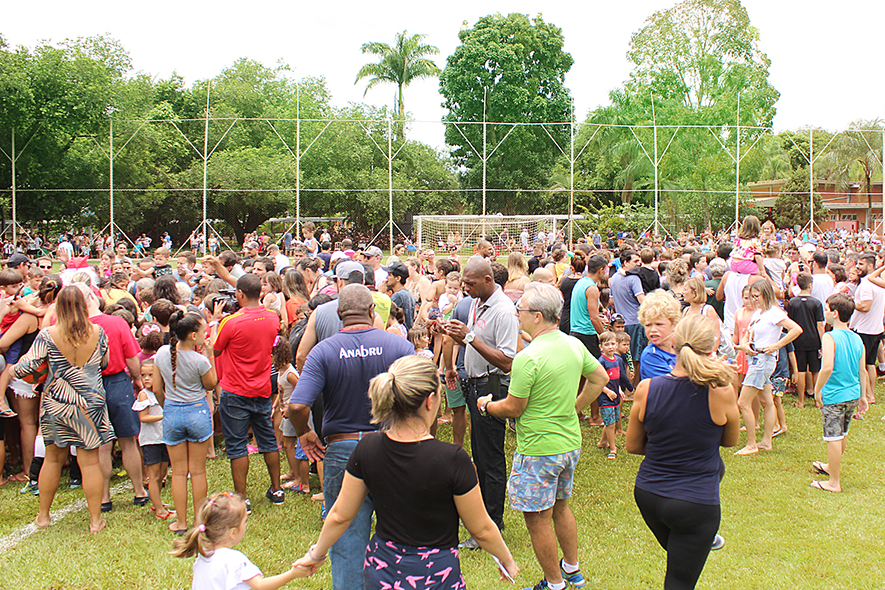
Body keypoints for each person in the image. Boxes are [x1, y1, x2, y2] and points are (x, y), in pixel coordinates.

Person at [296, 355, 518, 588]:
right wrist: (506, 558)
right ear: (429, 401)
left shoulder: (367, 449)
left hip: (382, 571)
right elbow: (481, 528)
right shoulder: (452, 459)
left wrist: (316, 554)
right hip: (435, 575)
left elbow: (340, 514)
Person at [477, 283, 607, 590]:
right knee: (561, 507)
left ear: (536, 316)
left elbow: (513, 407)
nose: (516, 314)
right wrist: (575, 407)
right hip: (568, 444)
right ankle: (572, 570)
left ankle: (554, 583)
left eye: (520, 309)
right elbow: (599, 377)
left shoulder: (528, 357)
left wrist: (487, 406)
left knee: (537, 519)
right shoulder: (572, 344)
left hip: (538, 449)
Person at [287, 284, 414, 590]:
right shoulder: (398, 346)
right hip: (392, 446)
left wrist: (304, 433)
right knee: (401, 535)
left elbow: (296, 405)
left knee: (345, 537)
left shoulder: (324, 350)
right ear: (372, 312)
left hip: (343, 448)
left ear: (340, 314)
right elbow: (423, 396)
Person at [627, 314, 740, 590]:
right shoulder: (720, 391)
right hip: (695, 503)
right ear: (712, 346)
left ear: (674, 343)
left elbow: (633, 445)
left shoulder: (647, 388)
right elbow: (730, 441)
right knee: (680, 579)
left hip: (649, 494)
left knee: (680, 559)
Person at [13, 286, 112, 533]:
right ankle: (95, 521)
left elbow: (25, 368)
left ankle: (44, 516)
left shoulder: (47, 335)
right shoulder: (98, 332)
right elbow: (105, 362)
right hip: (90, 402)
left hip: (57, 401)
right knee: (90, 463)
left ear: (58, 306)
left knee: (53, 459)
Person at [443, 258, 519, 548]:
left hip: (492, 387)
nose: (465, 287)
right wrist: (453, 335)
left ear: (488, 280)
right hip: (475, 384)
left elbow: (507, 361)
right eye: (464, 282)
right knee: (481, 453)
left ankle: (492, 523)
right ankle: (483, 516)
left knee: (490, 457)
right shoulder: (477, 302)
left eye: (470, 283)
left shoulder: (503, 311)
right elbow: (476, 343)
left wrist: (470, 337)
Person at [213, 274, 283, 512]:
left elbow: (216, 349)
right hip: (262, 387)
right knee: (268, 440)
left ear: (240, 294)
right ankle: (277, 488)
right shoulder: (273, 318)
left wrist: (214, 321)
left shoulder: (231, 322)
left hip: (235, 390)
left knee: (236, 445)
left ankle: (242, 497)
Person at [171, 491, 316, 590]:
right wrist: (293, 574)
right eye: (244, 522)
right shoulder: (234, 560)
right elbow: (260, 585)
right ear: (233, 532)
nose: (246, 525)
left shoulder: (202, 556)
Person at [154, 310, 218, 534]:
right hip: (196, 412)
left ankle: (181, 522)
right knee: (198, 472)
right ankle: (198, 521)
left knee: (179, 472)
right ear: (192, 335)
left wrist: (168, 407)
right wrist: (210, 355)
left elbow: (156, 388)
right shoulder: (199, 360)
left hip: (172, 412)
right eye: (202, 331)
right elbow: (210, 385)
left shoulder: (162, 353)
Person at [734, 280, 801, 456]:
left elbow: (795, 329)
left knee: (743, 402)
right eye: (752, 296)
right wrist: (745, 344)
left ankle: (751, 444)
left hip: (764, 360)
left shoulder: (774, 313)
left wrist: (776, 345)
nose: (753, 300)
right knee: (767, 401)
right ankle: (765, 441)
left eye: (756, 296)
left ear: (766, 295)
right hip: (756, 358)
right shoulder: (760, 313)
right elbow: (748, 334)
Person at [811, 293, 869, 492]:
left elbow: (827, 367)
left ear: (835, 313)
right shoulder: (857, 338)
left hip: (834, 393)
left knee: (833, 436)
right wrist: (863, 395)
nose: (825, 313)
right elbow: (862, 370)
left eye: (827, 309)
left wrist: (817, 390)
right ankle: (831, 467)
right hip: (852, 393)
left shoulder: (829, 337)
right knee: (842, 432)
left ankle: (834, 482)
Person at [132, 358, 173, 520]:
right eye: (143, 375)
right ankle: (159, 510)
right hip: (151, 440)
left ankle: (157, 502)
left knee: (162, 472)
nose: (147, 378)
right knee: (154, 476)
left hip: (163, 438)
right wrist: (164, 415)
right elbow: (143, 417)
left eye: (151, 375)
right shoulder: (144, 395)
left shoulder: (162, 392)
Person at [848, 253, 885, 407]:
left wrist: (849, 303)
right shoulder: (879, 282)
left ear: (870, 266)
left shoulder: (867, 284)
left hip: (864, 329)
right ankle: (870, 395)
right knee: (870, 363)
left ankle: (865, 394)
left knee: (861, 364)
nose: (857, 266)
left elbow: (865, 306)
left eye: (861, 264)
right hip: (876, 328)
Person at [786, 273, 824, 408]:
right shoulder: (816, 303)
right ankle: (817, 399)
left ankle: (801, 401)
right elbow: (820, 325)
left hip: (798, 340)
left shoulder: (792, 302)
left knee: (801, 370)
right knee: (815, 370)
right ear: (810, 285)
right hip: (814, 340)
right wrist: (822, 342)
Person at [610, 249, 646, 384]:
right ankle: (633, 387)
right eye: (635, 261)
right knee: (635, 359)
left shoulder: (614, 278)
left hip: (620, 323)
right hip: (635, 323)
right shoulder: (634, 279)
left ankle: (622, 386)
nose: (639, 264)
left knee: (622, 357)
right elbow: (642, 300)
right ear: (625, 262)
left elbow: (612, 301)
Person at [597, 331, 634, 459]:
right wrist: (607, 391)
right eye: (607, 344)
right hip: (605, 397)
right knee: (611, 424)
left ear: (617, 344)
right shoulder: (601, 362)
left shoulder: (617, 360)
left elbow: (615, 378)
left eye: (613, 344)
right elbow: (596, 381)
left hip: (615, 396)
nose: (611, 347)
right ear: (601, 347)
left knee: (611, 420)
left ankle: (602, 442)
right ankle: (613, 448)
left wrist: (619, 390)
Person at [638, 291, 681, 380]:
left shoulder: (680, 349)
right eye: (648, 325)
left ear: (674, 325)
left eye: (659, 324)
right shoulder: (651, 355)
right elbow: (674, 384)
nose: (653, 330)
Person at [384, 261, 416, 331]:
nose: (387, 277)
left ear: (398, 278)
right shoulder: (408, 293)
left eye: (390, 275)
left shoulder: (398, 296)